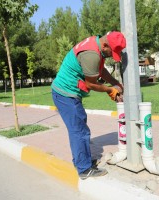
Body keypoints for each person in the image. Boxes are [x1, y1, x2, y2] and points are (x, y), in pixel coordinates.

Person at [51, 31, 126, 180]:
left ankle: (80, 161)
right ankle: (84, 169)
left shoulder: (97, 46)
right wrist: (110, 90)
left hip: (67, 93)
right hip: (65, 94)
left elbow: (100, 70)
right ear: (105, 45)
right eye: (112, 52)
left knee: (79, 128)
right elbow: (90, 83)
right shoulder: (92, 54)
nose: (112, 56)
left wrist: (115, 83)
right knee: (80, 131)